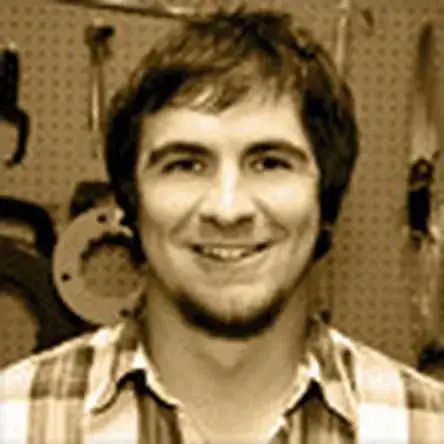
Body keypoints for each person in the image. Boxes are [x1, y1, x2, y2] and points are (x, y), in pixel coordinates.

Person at [1, 8, 443, 444]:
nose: (227, 210)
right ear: (131, 200)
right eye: (185, 165)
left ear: (324, 197)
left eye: (270, 163)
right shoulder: (14, 421)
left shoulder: (427, 427)